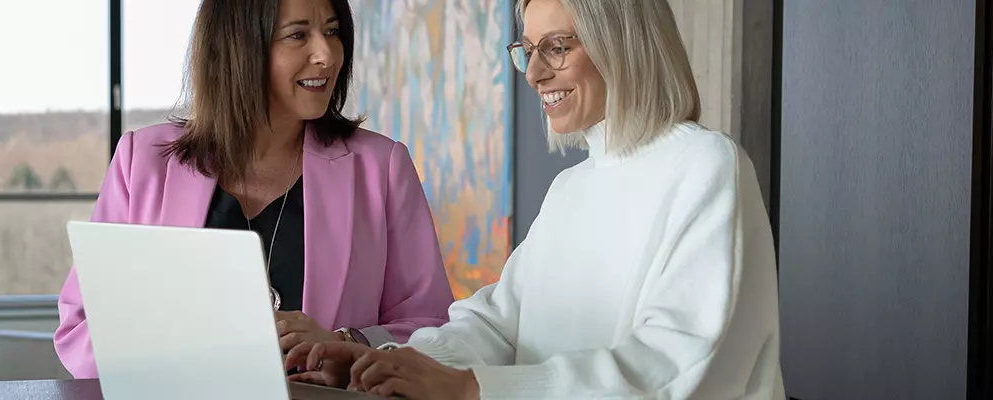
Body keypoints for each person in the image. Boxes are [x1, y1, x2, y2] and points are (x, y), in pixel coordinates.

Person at [283, 0, 785, 398]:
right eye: (527, 50)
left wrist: (475, 390)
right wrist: (384, 360)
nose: (534, 73)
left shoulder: (707, 165)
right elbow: (496, 326)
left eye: (558, 47)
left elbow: (678, 366)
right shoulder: (571, 189)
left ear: (623, 44)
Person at [53, 0, 455, 379]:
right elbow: (82, 332)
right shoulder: (141, 162)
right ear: (239, 47)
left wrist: (346, 344)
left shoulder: (381, 168)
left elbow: (433, 328)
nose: (327, 55)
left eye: (333, 32)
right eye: (298, 35)